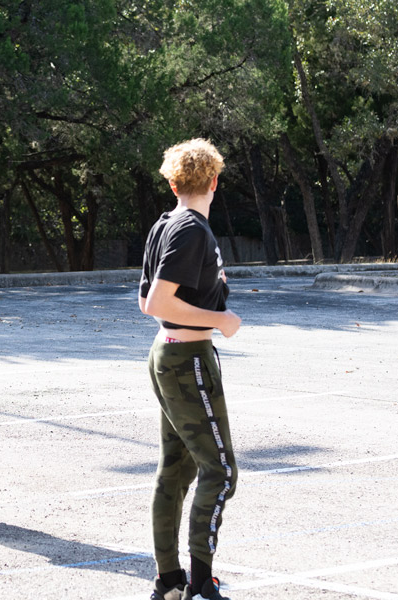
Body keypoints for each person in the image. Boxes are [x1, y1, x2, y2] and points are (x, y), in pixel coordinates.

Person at [138, 139, 241, 600]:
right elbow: (159, 303)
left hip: (170, 354)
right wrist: (219, 319)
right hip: (187, 360)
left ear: (173, 182)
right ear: (214, 181)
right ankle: (200, 581)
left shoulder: (166, 224)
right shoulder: (190, 230)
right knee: (220, 472)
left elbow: (146, 302)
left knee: (176, 470)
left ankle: (169, 580)